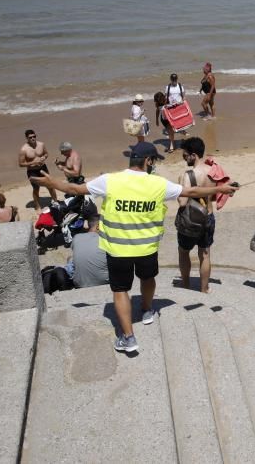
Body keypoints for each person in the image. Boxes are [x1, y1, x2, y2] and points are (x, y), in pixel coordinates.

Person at [30, 141, 239, 353]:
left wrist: (52, 182)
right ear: (148, 161)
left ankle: (128, 337)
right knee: (148, 279)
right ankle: (147, 310)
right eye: (153, 161)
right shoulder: (158, 184)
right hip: (146, 247)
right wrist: (220, 188)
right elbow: (192, 191)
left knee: (121, 290)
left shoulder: (110, 180)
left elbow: (74, 188)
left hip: (118, 248)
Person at [176, 137, 221, 293]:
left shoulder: (188, 175)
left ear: (193, 155)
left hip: (190, 220)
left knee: (183, 251)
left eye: (185, 155)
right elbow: (215, 196)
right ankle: (204, 288)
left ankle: (186, 285)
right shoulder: (213, 172)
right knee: (205, 254)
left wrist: (178, 190)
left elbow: (182, 202)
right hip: (208, 216)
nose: (184, 158)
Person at [18, 130, 57, 212]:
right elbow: (21, 164)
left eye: (34, 136)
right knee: (36, 189)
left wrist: (44, 157)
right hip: (32, 171)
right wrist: (33, 162)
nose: (33, 138)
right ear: (27, 138)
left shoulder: (41, 144)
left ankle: (55, 201)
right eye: (30, 137)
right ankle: (37, 206)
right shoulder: (24, 149)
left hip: (43, 168)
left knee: (50, 185)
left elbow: (46, 154)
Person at [68, 211, 109, 289]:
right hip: (103, 282)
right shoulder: (106, 240)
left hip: (79, 283)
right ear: (98, 227)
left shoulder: (77, 237)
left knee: (70, 259)